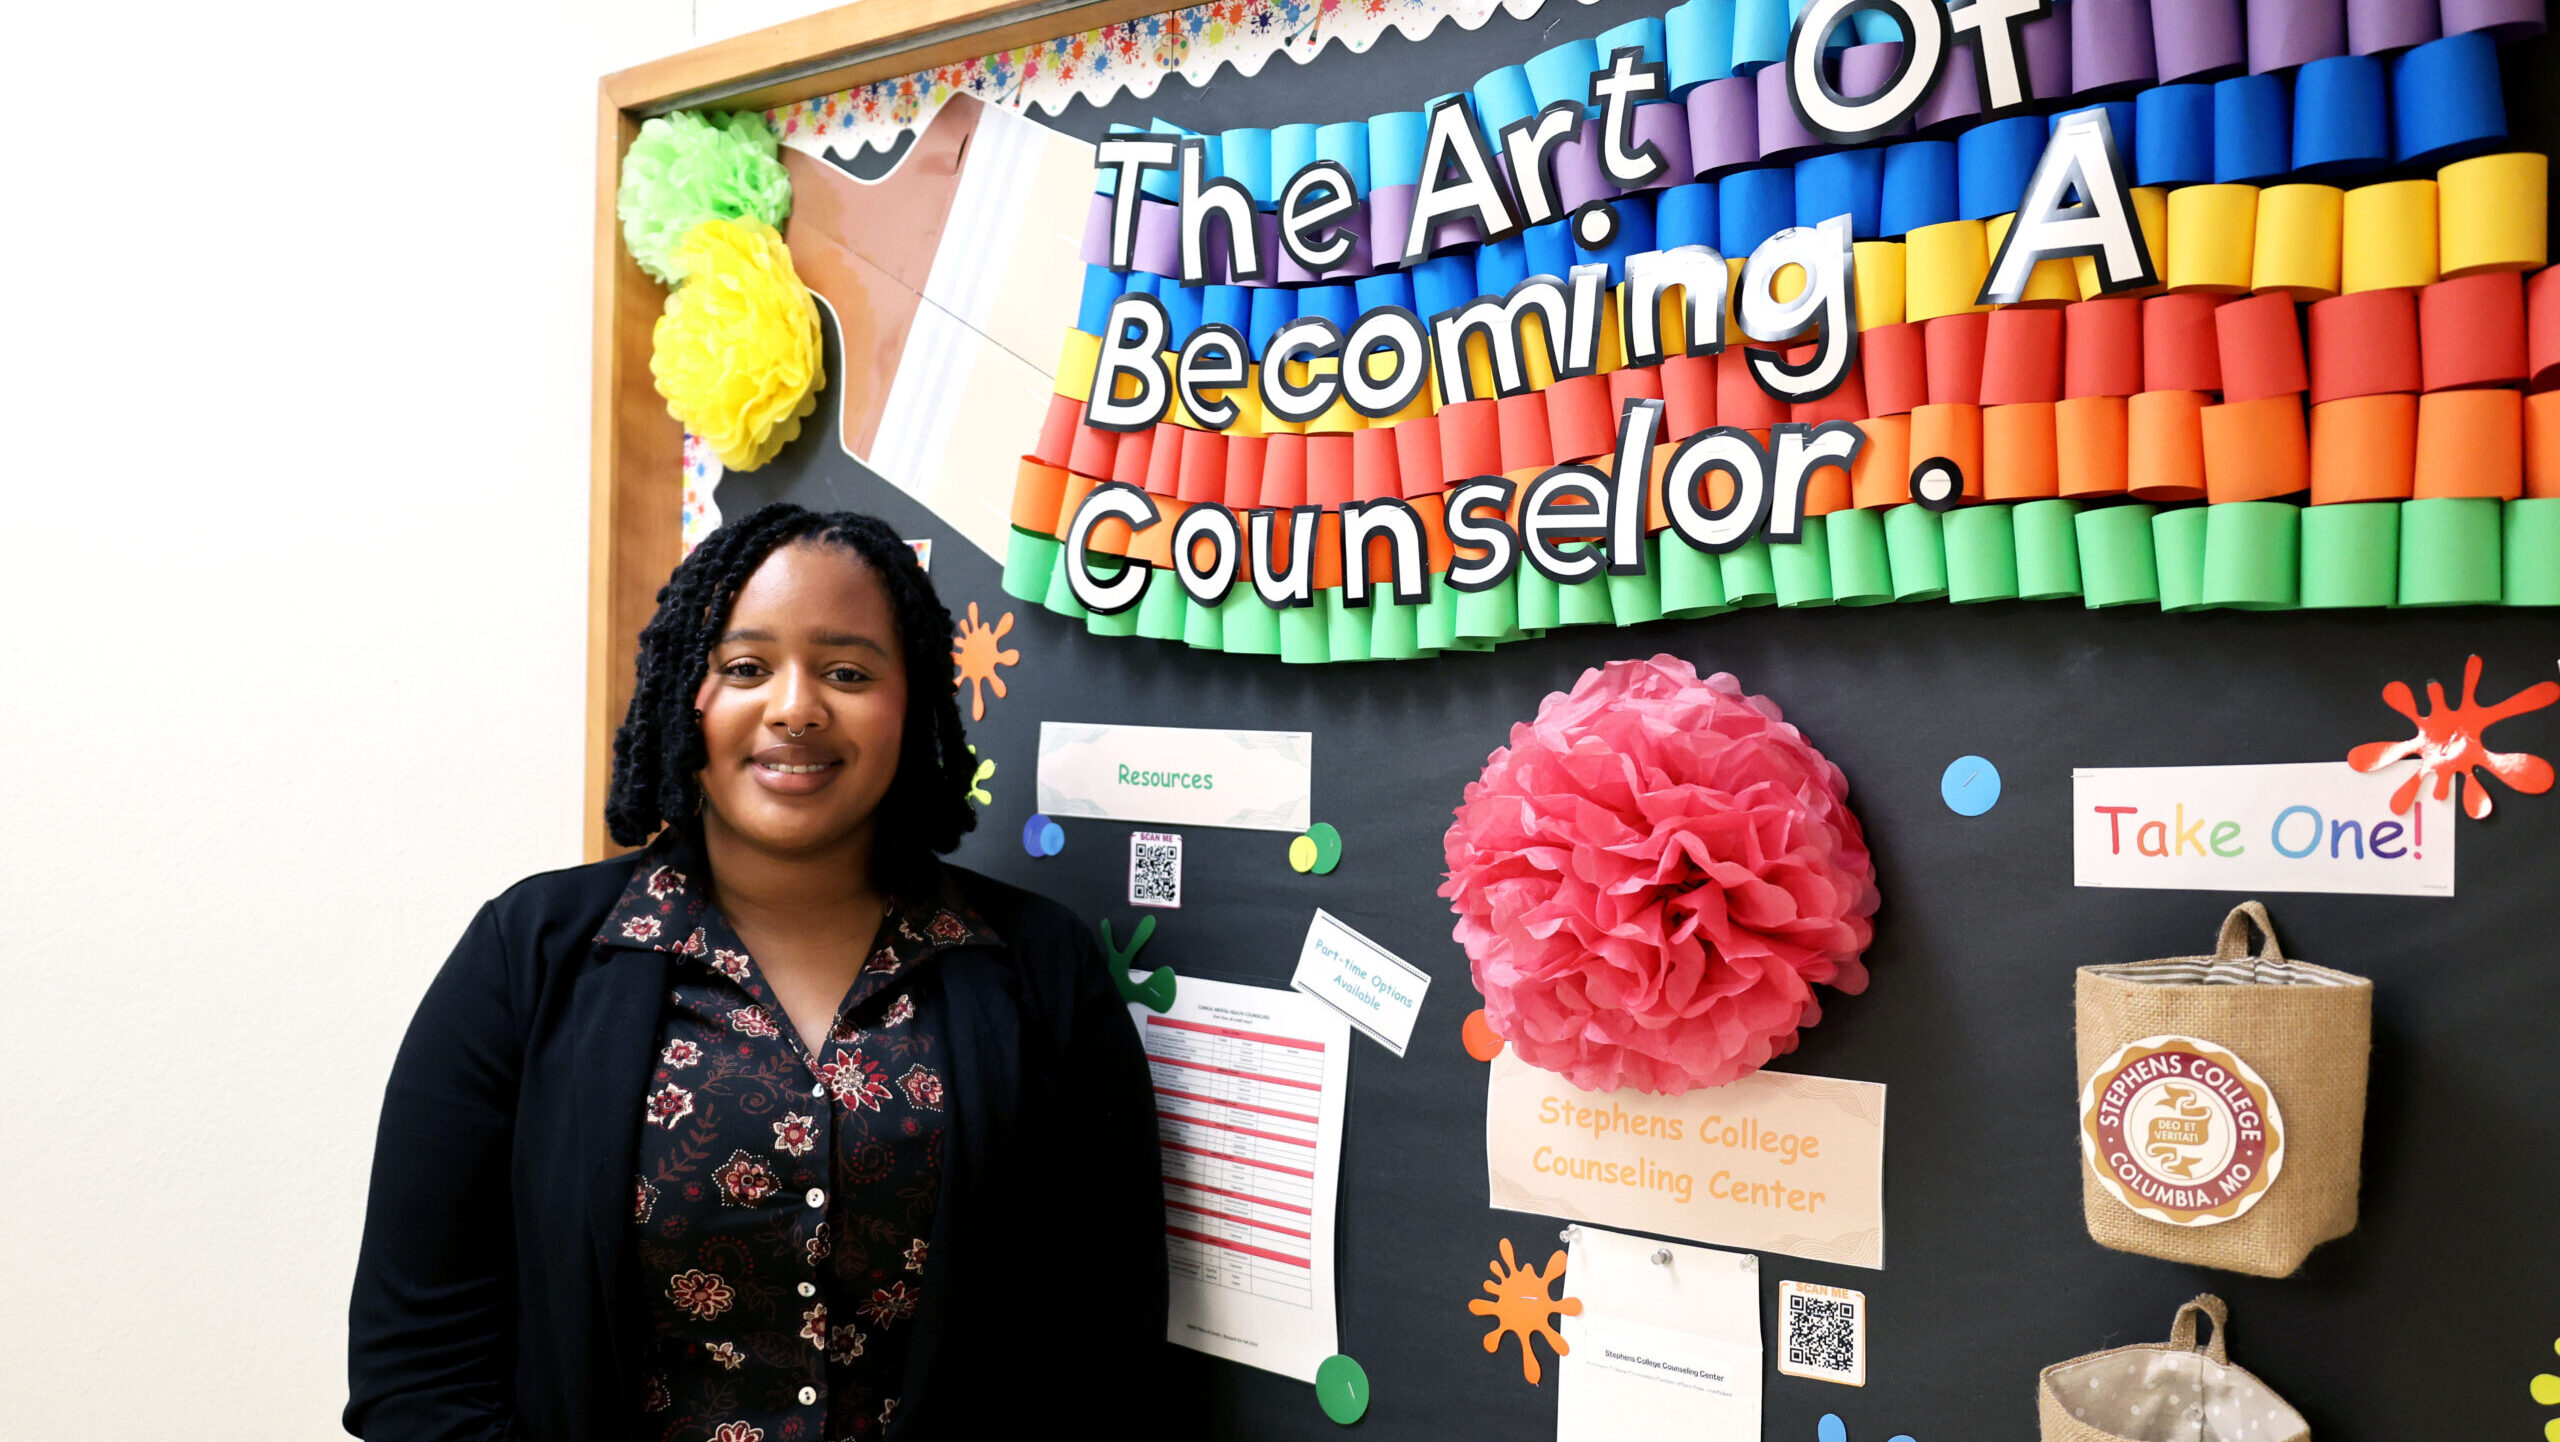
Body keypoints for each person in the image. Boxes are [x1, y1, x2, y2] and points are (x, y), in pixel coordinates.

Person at [346, 504, 1167, 1441]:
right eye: (745, 667)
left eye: (848, 671)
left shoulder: (1038, 970)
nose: (795, 707)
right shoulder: (528, 956)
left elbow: (1112, 1356)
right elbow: (417, 1366)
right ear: (682, 694)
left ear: (918, 704)